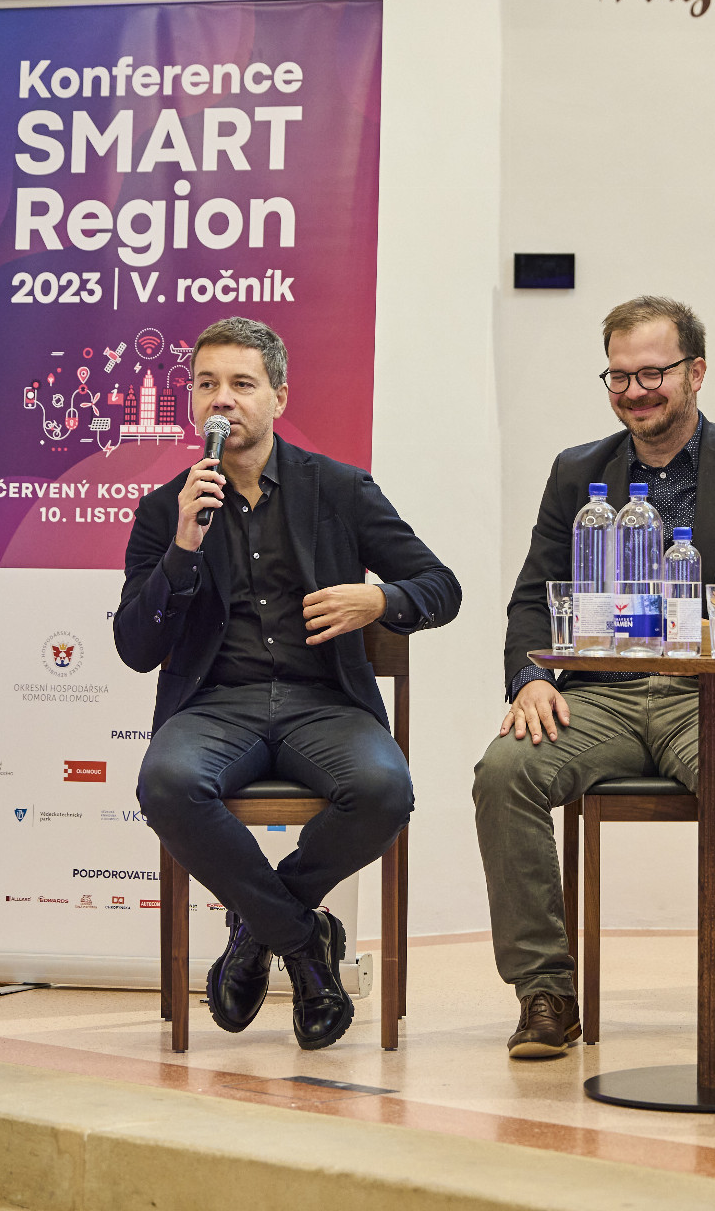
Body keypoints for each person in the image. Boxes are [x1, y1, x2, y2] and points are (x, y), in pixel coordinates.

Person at [474, 295, 715, 1060]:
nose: (635, 392)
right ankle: (545, 992)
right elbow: (531, 597)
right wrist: (528, 679)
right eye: (618, 378)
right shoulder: (577, 471)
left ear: (696, 372)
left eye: (653, 373)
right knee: (503, 771)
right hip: (601, 696)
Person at [115, 317, 461, 1051]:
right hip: (216, 706)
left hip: (323, 703)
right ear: (189, 401)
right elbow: (135, 647)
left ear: (278, 397)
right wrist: (181, 549)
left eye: (242, 384)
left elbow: (441, 586)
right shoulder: (166, 509)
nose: (223, 401)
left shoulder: (336, 489)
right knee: (168, 784)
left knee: (382, 791)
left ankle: (255, 931)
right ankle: (306, 946)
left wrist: (380, 602)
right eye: (207, 384)